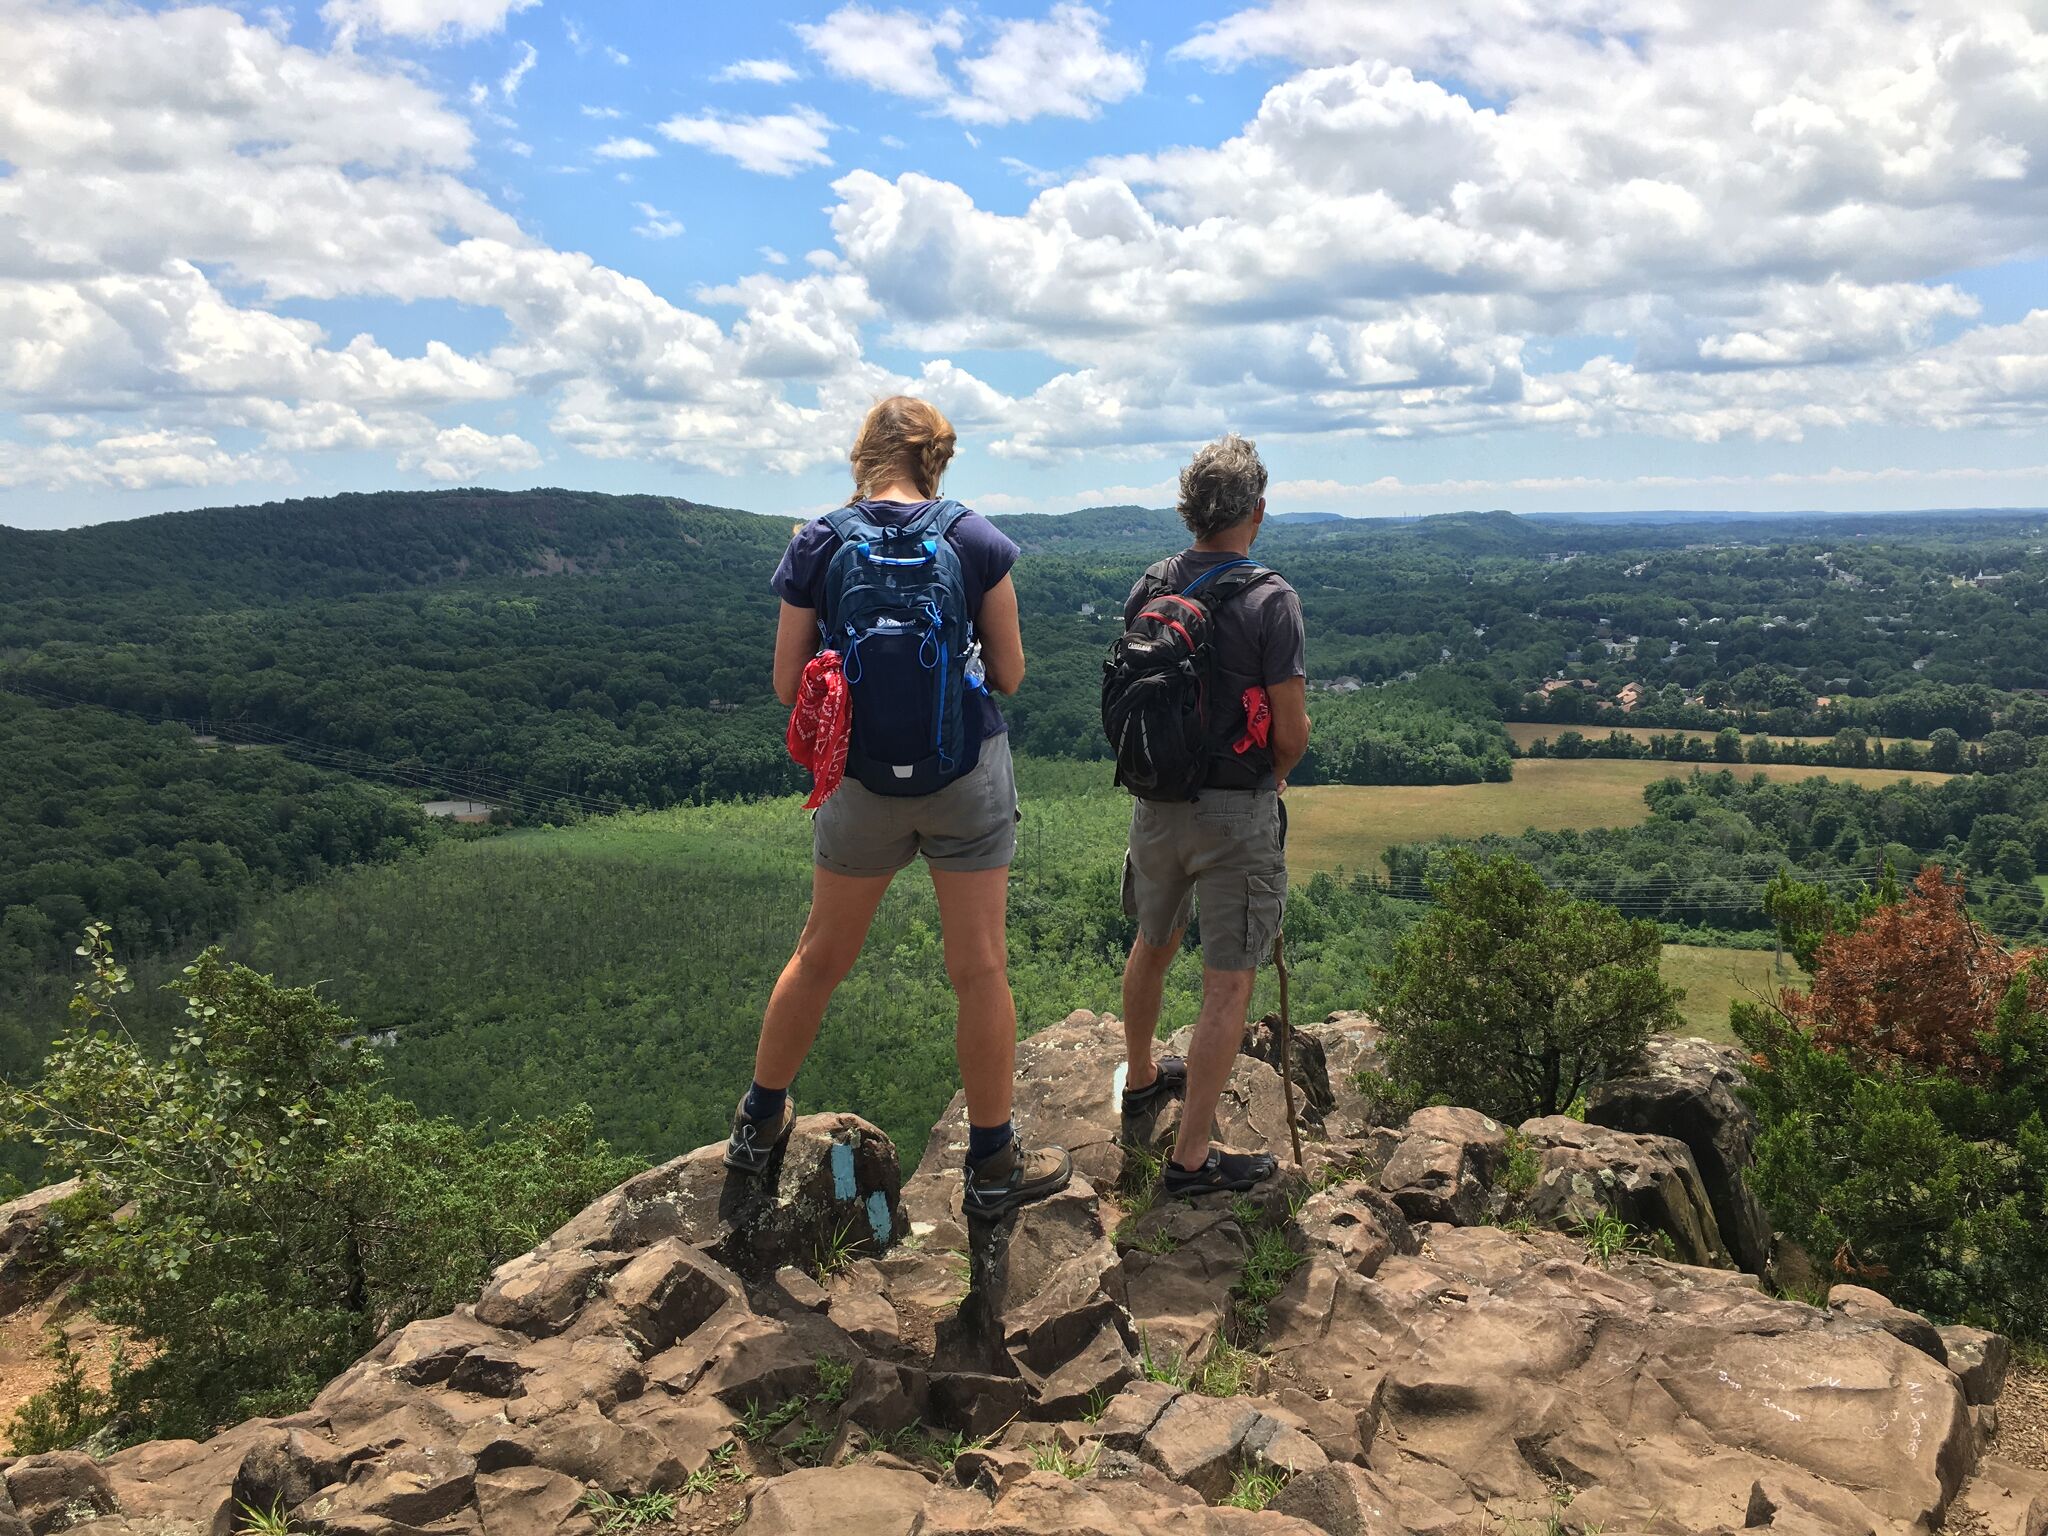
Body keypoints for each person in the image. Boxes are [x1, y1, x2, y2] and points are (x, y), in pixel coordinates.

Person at [723, 395, 1072, 1221]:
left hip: (858, 783)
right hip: (966, 774)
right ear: (934, 458)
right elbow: (1014, 676)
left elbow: (784, 686)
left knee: (818, 957)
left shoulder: (817, 541)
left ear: (865, 456)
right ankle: (991, 1165)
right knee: (979, 967)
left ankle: (757, 1126)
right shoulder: (976, 539)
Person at [1114, 434, 1310, 1195]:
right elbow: (1290, 732)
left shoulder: (1150, 585)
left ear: (1189, 512)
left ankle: (1139, 1080)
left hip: (1156, 802)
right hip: (1237, 810)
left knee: (1152, 941)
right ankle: (1192, 1159)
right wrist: (1274, 780)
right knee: (1228, 984)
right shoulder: (1272, 599)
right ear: (1256, 513)